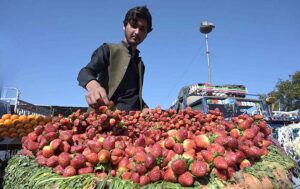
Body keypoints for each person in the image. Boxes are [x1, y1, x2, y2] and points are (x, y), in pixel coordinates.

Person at [77, 6, 152, 114]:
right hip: (106, 119)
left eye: (142, 29)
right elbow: (86, 71)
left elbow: (133, 95)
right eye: (133, 25)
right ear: (124, 26)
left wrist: (144, 107)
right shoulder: (108, 49)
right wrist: (93, 85)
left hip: (131, 124)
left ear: (147, 33)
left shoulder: (140, 64)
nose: (137, 32)